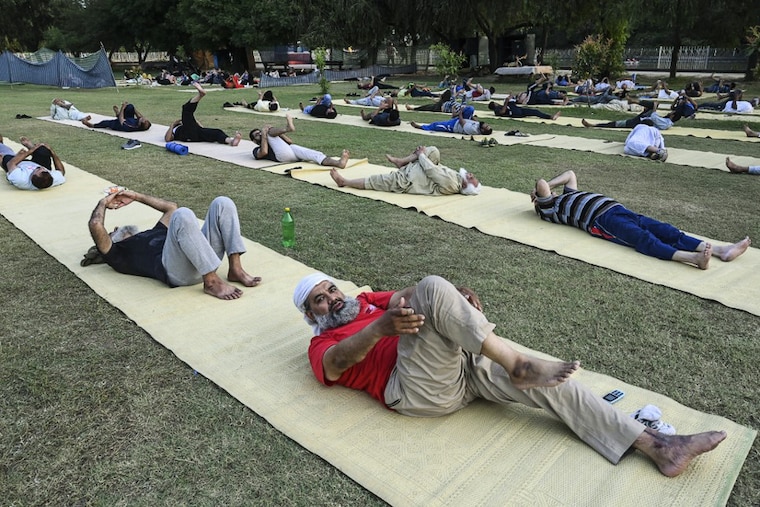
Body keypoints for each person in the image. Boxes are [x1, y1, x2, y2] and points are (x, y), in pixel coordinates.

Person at [293, 272, 727, 477]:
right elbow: (337, 365)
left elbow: (408, 294)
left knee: (550, 383)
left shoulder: (368, 298)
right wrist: (381, 327)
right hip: (416, 390)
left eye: (331, 289)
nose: (331, 299)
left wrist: (454, 300)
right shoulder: (321, 344)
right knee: (433, 289)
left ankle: (658, 446)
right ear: (311, 316)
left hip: (455, 364)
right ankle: (513, 361)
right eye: (319, 301)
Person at [532, 170, 750, 269]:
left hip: (618, 209)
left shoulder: (566, 195)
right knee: (644, 239)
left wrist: (553, 189)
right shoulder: (549, 210)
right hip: (600, 222)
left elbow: (570, 173)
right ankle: (693, 258)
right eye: (544, 196)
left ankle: (722, 251)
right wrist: (540, 193)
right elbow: (542, 183)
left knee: (666, 230)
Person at [87, 190, 261, 300]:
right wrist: (103, 203)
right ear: (111, 239)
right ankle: (211, 282)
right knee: (182, 215)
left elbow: (171, 207)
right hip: (177, 272)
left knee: (222, 202)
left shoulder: (152, 232)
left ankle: (235, 269)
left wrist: (136, 196)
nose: (116, 228)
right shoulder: (117, 253)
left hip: (202, 258)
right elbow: (96, 224)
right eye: (111, 232)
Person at [329, 145, 481, 196]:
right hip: (417, 170)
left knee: (378, 180)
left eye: (473, 179)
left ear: (467, 186)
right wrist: (424, 155)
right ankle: (402, 162)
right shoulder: (456, 177)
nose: (472, 175)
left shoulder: (452, 183)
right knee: (433, 151)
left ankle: (344, 182)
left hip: (408, 180)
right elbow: (434, 167)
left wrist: (421, 154)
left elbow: (431, 171)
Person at [250, 114, 350, 168]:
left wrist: (278, 133)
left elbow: (289, 142)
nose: (259, 134)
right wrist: (264, 133)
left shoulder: (275, 139)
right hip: (281, 157)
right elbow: (264, 152)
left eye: (259, 132)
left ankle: (338, 163)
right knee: (268, 132)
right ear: (254, 141)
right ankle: (288, 128)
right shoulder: (256, 149)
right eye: (257, 135)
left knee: (316, 155)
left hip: (291, 152)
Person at [165, 82, 242, 145]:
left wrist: (196, 123)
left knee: (217, 132)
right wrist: (172, 125)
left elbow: (201, 127)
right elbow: (167, 139)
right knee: (186, 110)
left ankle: (231, 141)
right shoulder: (175, 131)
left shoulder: (185, 125)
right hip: (187, 135)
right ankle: (200, 95)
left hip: (197, 134)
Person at [581, 100, 674, 130]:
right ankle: (634, 101)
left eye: (671, 113)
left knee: (615, 124)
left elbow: (654, 117)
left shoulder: (667, 123)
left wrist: (653, 108)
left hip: (639, 123)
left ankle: (593, 125)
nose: (669, 112)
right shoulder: (665, 120)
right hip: (640, 120)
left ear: (672, 117)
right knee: (654, 104)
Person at [411, 109, 493, 136]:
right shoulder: (478, 126)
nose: (486, 124)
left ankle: (420, 127)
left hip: (453, 126)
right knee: (470, 109)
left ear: (482, 130)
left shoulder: (473, 130)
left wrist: (460, 113)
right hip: (458, 120)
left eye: (486, 126)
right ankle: (455, 115)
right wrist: (470, 115)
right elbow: (476, 121)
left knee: (436, 125)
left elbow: (462, 122)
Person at [82, 101, 152, 132]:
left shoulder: (130, 126)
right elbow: (140, 116)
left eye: (142, 119)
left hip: (119, 124)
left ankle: (91, 125)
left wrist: (122, 107)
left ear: (139, 124)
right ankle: (118, 114)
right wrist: (134, 109)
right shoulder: (140, 123)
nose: (143, 117)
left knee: (106, 123)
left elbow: (121, 120)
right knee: (131, 107)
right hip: (129, 119)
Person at [489, 95, 561, 120]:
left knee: (535, 112)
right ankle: (551, 117)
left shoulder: (500, 106)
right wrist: (506, 103)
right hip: (514, 112)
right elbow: (502, 112)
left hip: (517, 109)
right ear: (494, 105)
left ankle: (551, 117)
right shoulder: (496, 110)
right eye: (495, 103)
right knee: (510, 102)